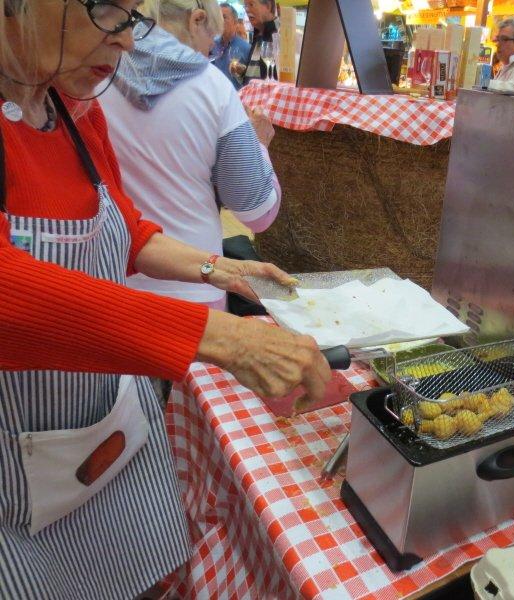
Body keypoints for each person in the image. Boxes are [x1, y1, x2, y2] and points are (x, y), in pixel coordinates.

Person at [0, 1, 330, 597]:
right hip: (16, 473)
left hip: (103, 423)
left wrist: (220, 268)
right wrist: (224, 338)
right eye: (107, 12)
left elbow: (121, 225)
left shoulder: (71, 110)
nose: (127, 42)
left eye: (132, 18)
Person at [101, 0, 281, 310]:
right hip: (196, 283)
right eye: (209, 44)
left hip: (105, 278)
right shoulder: (212, 87)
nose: (207, 55)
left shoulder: (93, 74)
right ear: (196, 21)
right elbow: (257, 211)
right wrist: (259, 143)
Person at [237, 0, 280, 84]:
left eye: (251, 4)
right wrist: (243, 74)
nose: (247, 9)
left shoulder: (280, 33)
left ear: (268, 6)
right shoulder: (258, 35)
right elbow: (256, 76)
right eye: (245, 6)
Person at [211, 2, 250, 89]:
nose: (220, 21)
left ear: (235, 23)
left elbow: (250, 81)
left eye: (224, 17)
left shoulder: (246, 48)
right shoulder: (211, 45)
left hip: (236, 98)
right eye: (218, 18)